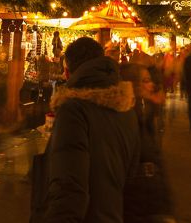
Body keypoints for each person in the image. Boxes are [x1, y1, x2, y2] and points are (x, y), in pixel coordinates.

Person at [36, 37, 139, 223]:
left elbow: (68, 188)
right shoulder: (127, 108)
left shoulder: (74, 111)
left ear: (68, 73)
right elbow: (132, 179)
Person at [119, 61, 173, 223]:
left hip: (151, 199)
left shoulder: (144, 114)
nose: (151, 85)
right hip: (139, 203)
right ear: (132, 85)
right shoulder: (129, 120)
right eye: (145, 81)